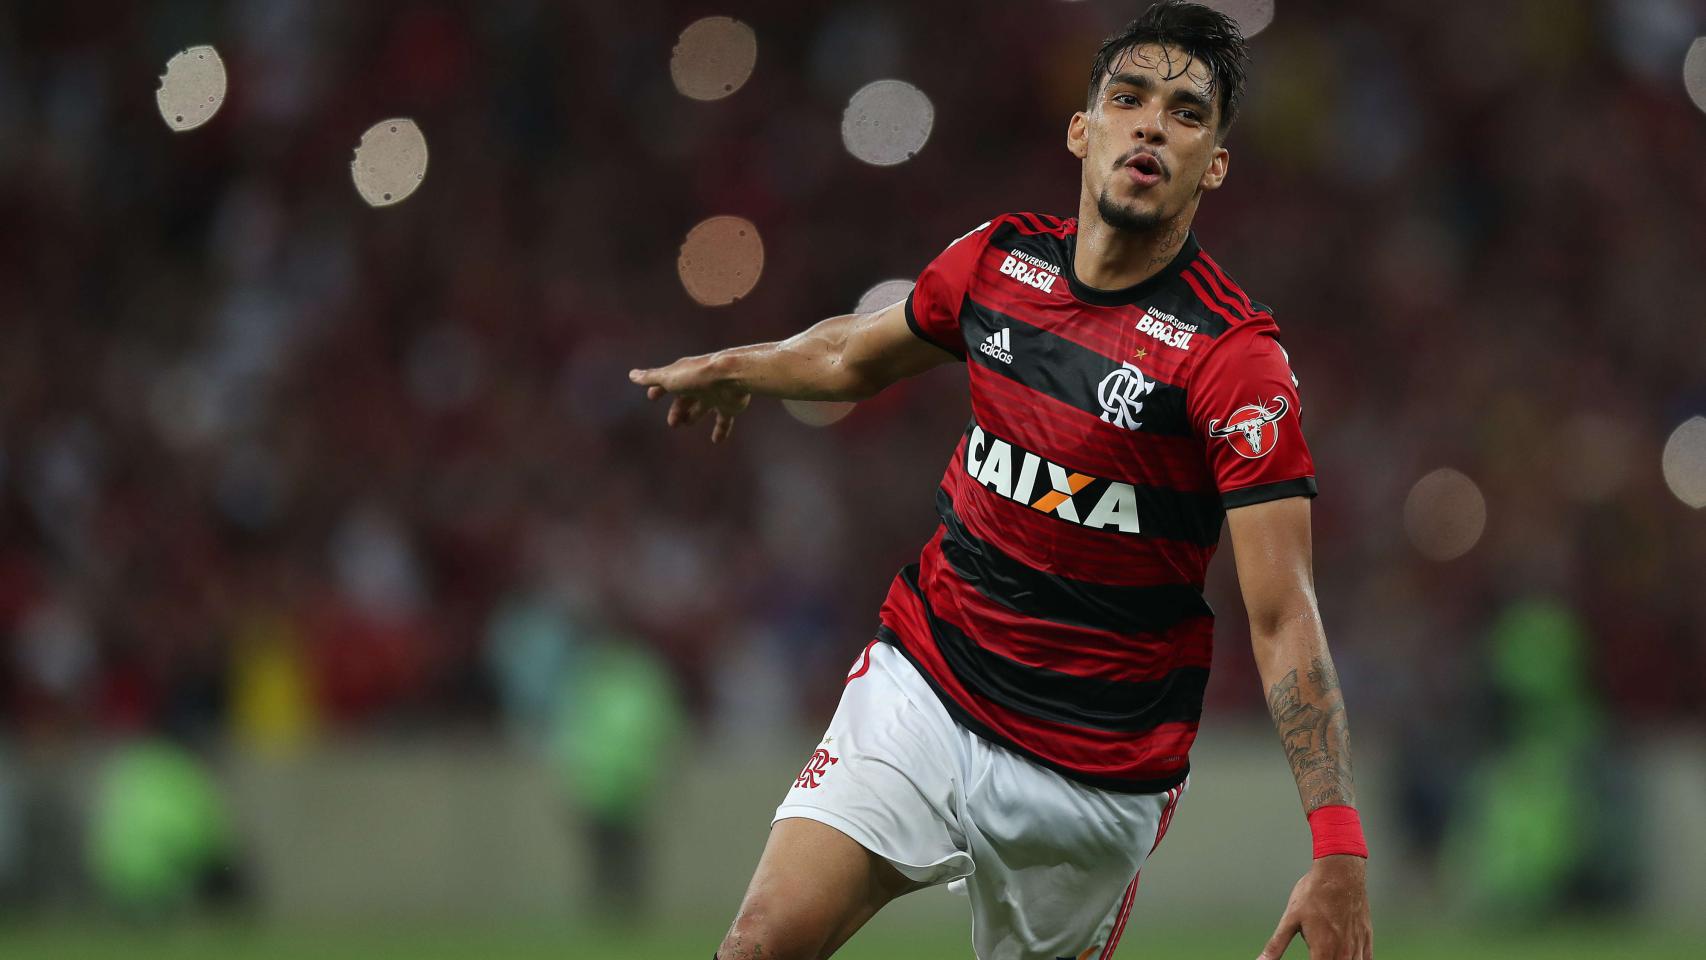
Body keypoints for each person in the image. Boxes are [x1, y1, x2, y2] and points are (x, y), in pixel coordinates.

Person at [629, 4, 1372, 957]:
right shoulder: (998, 261)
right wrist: (740, 363)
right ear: (1084, 129)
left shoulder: (1233, 360)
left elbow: (1283, 613)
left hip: (1094, 772)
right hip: (927, 686)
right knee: (758, 944)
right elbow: (853, 355)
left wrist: (1338, 846)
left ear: (1214, 163)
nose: (1151, 124)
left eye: (1188, 113)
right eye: (1128, 98)